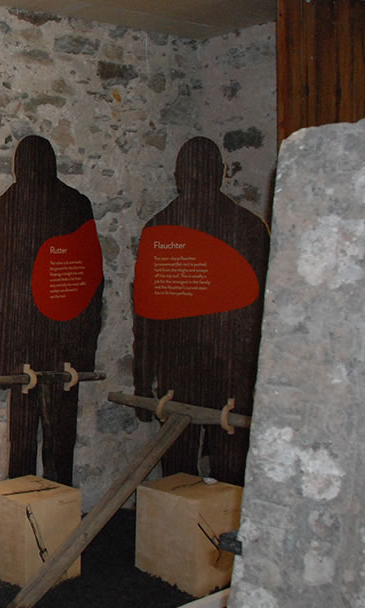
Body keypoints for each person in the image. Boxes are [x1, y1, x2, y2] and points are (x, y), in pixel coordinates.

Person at [132, 137, 269, 485]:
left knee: (190, 470)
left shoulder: (160, 226)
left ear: (178, 174)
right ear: (221, 172)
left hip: (194, 371)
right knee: (219, 470)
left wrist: (143, 382)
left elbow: (145, 320)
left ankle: (183, 534)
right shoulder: (249, 227)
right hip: (226, 373)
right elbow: (147, 313)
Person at [0, 136, 102, 486]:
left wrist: (0, 354)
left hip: (26, 343)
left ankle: (29, 502)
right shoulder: (72, 204)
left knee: (31, 435)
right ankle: (45, 503)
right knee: (54, 436)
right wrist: (84, 353)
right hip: (58, 341)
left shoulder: (8, 206)